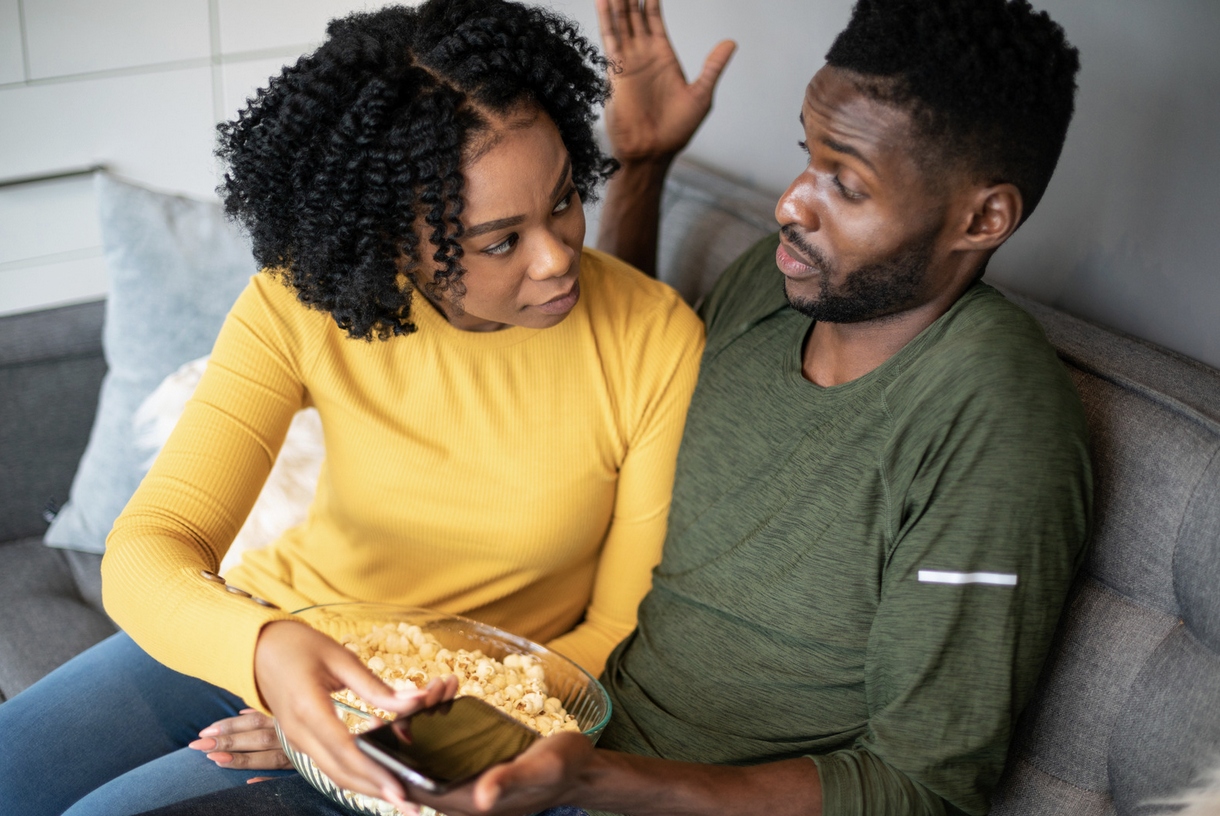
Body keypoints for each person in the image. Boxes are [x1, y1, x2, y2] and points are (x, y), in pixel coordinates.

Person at [132, 0, 1092, 814]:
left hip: (542, 736)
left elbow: (927, 781)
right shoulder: (777, 284)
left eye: (844, 183)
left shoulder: (997, 418)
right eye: (809, 158)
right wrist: (644, 169)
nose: (789, 205)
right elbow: (596, 347)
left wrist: (540, 754)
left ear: (984, 218)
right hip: (385, 663)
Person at [0, 2, 706, 815]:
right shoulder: (301, 309)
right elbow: (149, 547)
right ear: (397, 240)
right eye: (499, 241)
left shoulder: (655, 341)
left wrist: (373, 716)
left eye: (564, 199)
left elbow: (615, 631)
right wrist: (264, 653)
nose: (557, 258)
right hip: (269, 629)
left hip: (457, 705)